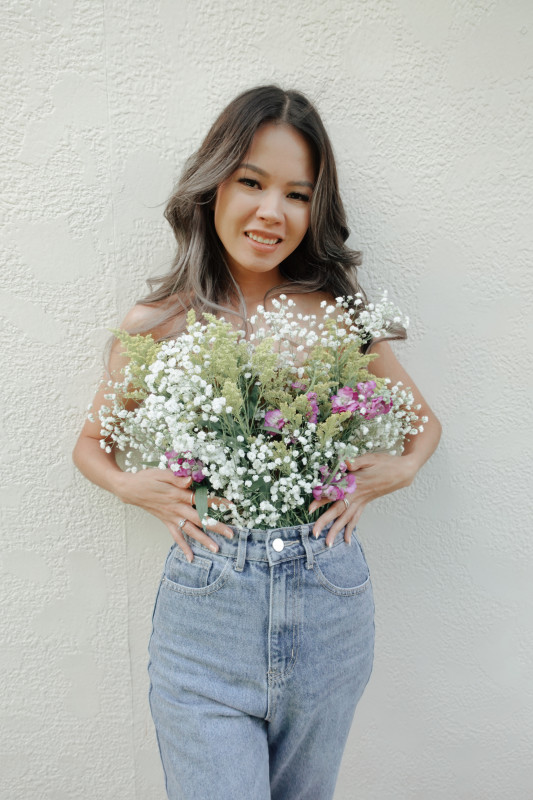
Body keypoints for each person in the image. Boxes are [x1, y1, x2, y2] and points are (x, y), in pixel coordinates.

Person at [73, 85, 441, 800]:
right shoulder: (157, 321)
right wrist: (130, 485)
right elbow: (91, 444)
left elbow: (421, 425)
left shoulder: (334, 313)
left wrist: (389, 471)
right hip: (205, 609)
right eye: (251, 182)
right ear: (213, 185)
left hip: (328, 601)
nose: (272, 212)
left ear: (315, 210)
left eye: (297, 195)